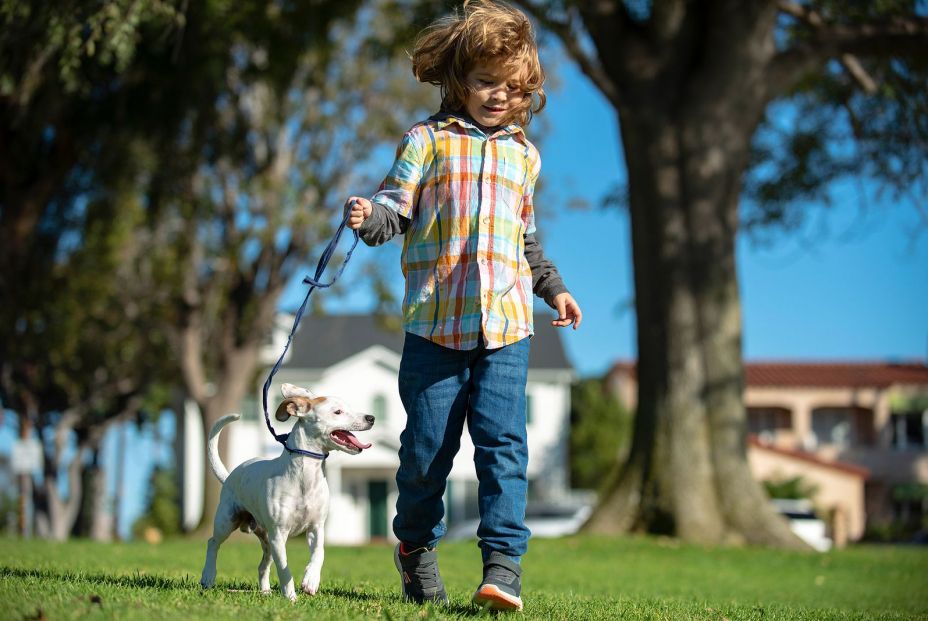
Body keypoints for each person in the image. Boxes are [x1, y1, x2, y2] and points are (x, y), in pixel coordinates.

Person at [344, 0, 581, 611]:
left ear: (526, 91)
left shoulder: (525, 156)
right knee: (426, 456)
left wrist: (553, 288)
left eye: (512, 86)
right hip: (434, 328)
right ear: (459, 80)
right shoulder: (426, 141)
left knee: (504, 447)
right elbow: (394, 208)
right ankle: (415, 550)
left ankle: (502, 568)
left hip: (506, 328)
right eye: (484, 81)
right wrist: (371, 218)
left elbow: (524, 239)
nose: (498, 95)